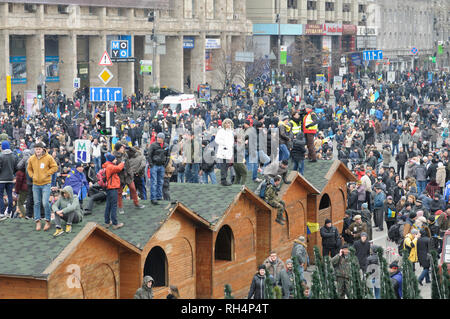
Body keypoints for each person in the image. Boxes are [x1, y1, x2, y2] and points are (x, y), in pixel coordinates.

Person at [27, 142, 59, 231]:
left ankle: (47, 221)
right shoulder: (31, 158)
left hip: (46, 184)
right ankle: (37, 221)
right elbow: (29, 168)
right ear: (34, 150)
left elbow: (55, 167)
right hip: (35, 184)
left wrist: (47, 173)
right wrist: (32, 175)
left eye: (39, 149)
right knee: (36, 203)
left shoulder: (48, 157)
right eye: (36, 149)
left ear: (42, 149)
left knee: (45, 203)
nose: (37, 150)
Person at [103, 153, 124, 230]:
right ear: (112, 160)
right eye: (115, 159)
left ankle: (107, 222)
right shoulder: (110, 166)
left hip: (109, 188)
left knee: (108, 205)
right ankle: (115, 224)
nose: (116, 160)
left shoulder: (107, 165)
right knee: (114, 206)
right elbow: (118, 168)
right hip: (112, 188)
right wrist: (123, 162)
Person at [148, 132, 169, 205]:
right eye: (157, 137)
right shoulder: (153, 145)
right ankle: (153, 198)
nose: (158, 139)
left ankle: (159, 196)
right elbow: (149, 155)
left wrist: (165, 164)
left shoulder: (166, 146)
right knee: (154, 182)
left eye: (159, 138)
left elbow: (168, 156)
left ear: (163, 139)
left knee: (160, 182)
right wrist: (151, 164)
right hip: (155, 165)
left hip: (162, 166)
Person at [0, 140, 18, 217]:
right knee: (10, 195)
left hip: (1, 179)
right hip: (10, 179)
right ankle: (9, 212)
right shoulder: (13, 156)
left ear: (3, 147)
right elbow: (16, 167)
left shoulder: (1, 156)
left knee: (0, 196)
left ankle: (1, 212)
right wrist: (12, 174)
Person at [215, 118, 234, 186]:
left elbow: (231, 141)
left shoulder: (231, 131)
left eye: (229, 123)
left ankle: (224, 179)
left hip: (229, 151)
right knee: (223, 166)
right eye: (226, 123)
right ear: (224, 124)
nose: (227, 124)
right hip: (223, 150)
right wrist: (224, 144)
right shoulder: (221, 131)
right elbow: (217, 140)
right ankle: (223, 180)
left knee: (226, 166)